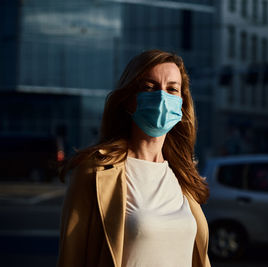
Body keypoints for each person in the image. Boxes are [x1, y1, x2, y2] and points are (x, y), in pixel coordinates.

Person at [57, 50, 211, 267]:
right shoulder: (94, 171)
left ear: (182, 103)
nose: (161, 98)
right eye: (149, 87)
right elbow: (71, 259)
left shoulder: (182, 174)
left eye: (172, 89)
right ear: (128, 99)